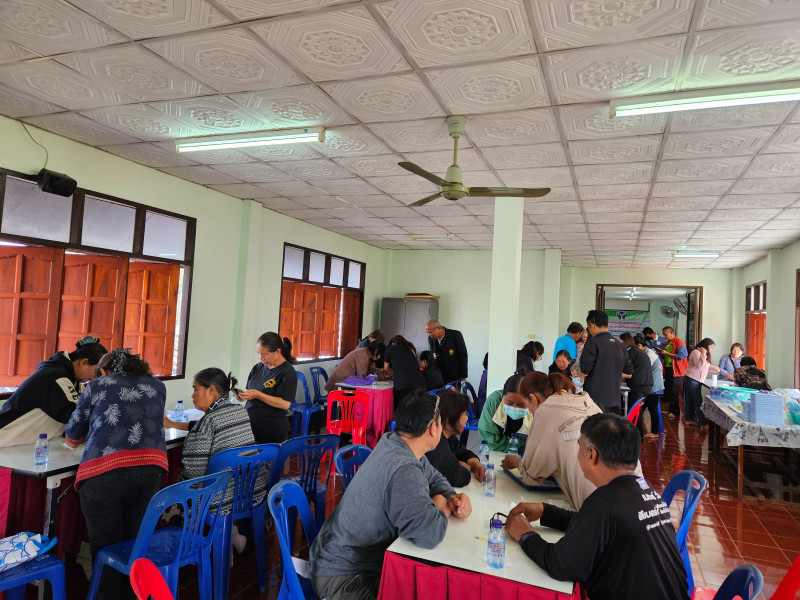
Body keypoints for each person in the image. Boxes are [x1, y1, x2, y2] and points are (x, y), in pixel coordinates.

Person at [505, 414, 690, 600]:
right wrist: (546, 512)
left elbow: (560, 564)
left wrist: (525, 534)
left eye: (579, 447)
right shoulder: (644, 491)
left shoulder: (604, 503)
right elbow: (595, 527)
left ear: (591, 455)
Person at [309, 390, 471, 600]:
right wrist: (441, 505)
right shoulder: (404, 468)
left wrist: (449, 496)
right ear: (433, 429)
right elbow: (429, 534)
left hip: (342, 558)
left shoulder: (395, 442)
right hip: (344, 578)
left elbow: (435, 477)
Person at [64, 349, 167, 600]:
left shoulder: (96, 386)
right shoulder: (157, 386)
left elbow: (73, 435)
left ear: (104, 371)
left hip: (104, 474)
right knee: (134, 545)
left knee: (105, 549)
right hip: (150, 472)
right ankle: (132, 595)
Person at [502, 373, 602, 509]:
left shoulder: (544, 412)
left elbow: (531, 477)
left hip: (594, 509)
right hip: (624, 495)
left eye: (527, 406)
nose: (531, 412)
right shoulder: (587, 402)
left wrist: (516, 462)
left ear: (533, 398)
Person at [0, 336, 108, 448]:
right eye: (97, 371)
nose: (97, 377)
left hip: (23, 445)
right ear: (83, 362)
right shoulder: (56, 377)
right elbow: (77, 417)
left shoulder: (74, 381)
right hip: (5, 440)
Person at [240, 332, 297, 443]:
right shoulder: (257, 368)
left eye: (264, 354)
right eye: (259, 353)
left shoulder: (287, 372)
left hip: (271, 430)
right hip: (251, 427)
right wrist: (244, 396)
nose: (261, 358)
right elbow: (251, 392)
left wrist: (258, 395)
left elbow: (285, 404)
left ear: (277, 352)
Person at [425, 389, 486, 487]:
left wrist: (477, 465)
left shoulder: (448, 436)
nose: (467, 418)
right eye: (465, 414)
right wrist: (465, 469)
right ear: (449, 418)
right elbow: (458, 478)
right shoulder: (436, 442)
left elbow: (464, 453)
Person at [579, 310, 632, 414]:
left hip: (595, 401)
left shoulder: (592, 343)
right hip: (615, 399)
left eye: (588, 327)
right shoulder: (620, 345)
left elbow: (584, 370)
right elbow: (629, 371)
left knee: (596, 425)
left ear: (592, 325)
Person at [477, 371, 537, 452]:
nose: (515, 408)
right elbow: (488, 439)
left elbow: (538, 443)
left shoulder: (536, 408)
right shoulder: (495, 401)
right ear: (503, 396)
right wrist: (520, 443)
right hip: (497, 451)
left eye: (521, 404)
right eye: (510, 402)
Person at [619, 332, 654, 433]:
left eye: (620, 341)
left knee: (636, 410)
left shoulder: (631, 352)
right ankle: (634, 433)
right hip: (643, 383)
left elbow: (627, 369)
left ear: (625, 341)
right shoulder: (634, 351)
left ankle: (638, 434)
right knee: (635, 408)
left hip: (640, 384)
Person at [683, 338, 720, 429]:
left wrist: (714, 368)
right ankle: (704, 423)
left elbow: (705, 366)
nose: (711, 349)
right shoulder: (696, 352)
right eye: (711, 347)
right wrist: (703, 354)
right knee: (698, 401)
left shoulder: (704, 353)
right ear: (706, 345)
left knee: (689, 400)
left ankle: (688, 419)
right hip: (692, 379)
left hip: (696, 380)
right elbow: (699, 366)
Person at [635, 334, 664, 440]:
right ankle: (637, 430)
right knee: (641, 408)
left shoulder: (649, 354)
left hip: (653, 386)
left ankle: (654, 432)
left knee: (652, 409)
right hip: (651, 385)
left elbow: (643, 370)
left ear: (639, 346)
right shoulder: (647, 352)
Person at [384, 335, 425, 407]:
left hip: (403, 386)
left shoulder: (390, 348)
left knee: (401, 409)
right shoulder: (410, 350)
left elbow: (386, 368)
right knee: (415, 409)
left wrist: (393, 372)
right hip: (420, 384)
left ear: (393, 343)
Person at [425, 319, 468, 384]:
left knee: (453, 390)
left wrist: (463, 375)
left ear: (438, 328)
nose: (430, 334)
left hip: (453, 374)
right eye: (427, 332)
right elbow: (433, 352)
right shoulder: (431, 338)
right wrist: (433, 355)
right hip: (439, 374)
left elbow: (463, 355)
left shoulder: (455, 335)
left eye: (431, 332)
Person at [659, 326, 688, 420]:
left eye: (665, 334)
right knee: (668, 390)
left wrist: (667, 354)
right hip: (668, 369)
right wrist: (661, 353)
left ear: (671, 333)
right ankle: (674, 410)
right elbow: (665, 357)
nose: (664, 336)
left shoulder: (679, 343)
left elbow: (682, 356)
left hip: (677, 371)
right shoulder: (667, 343)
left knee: (674, 392)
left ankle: (672, 411)